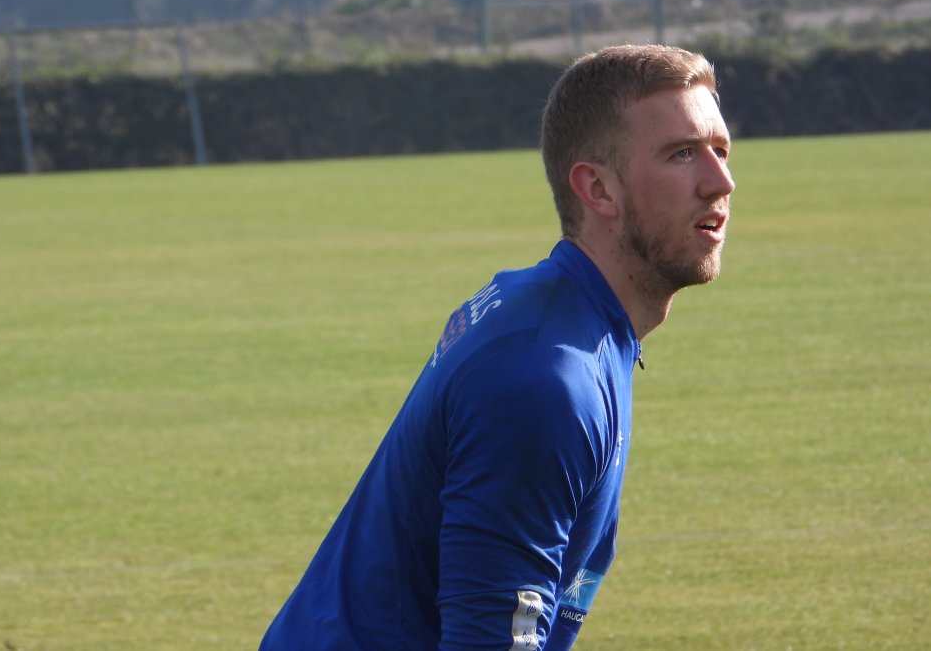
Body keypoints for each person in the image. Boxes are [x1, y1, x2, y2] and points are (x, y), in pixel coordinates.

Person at [259, 44, 736, 650]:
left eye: (720, 150)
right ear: (598, 189)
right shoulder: (544, 380)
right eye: (682, 154)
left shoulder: (554, 315)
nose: (721, 182)